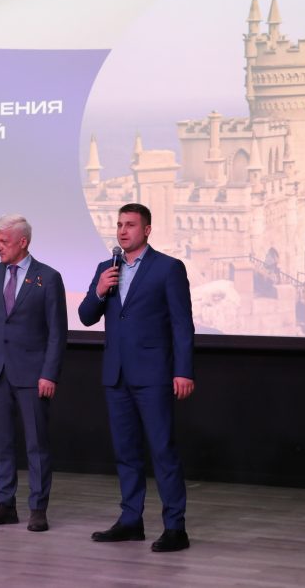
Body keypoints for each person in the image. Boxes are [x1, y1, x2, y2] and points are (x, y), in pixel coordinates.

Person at [78, 203, 196, 552]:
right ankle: (131, 520)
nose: (122, 231)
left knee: (162, 451)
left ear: (146, 230)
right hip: (116, 375)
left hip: (154, 375)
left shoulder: (168, 268)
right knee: (126, 452)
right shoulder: (106, 268)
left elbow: (182, 325)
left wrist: (183, 370)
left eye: (130, 225)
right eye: (119, 225)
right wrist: (99, 290)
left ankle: (175, 527)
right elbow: (86, 316)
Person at [0, 214, 67, 532]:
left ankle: (38, 508)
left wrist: (49, 374)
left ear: (22, 242)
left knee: (36, 445)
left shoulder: (48, 277)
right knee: (2, 443)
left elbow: (57, 332)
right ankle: (4, 504)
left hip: (33, 375)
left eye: (4, 241)